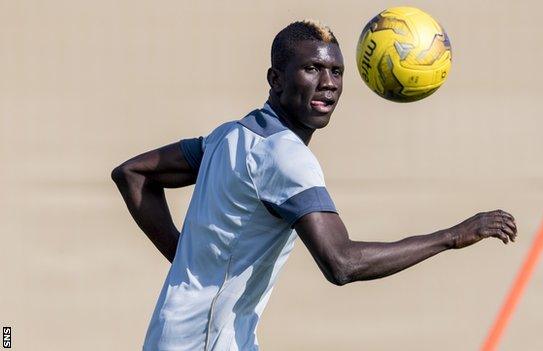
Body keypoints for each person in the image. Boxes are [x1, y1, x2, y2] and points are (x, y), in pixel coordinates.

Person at [112, 20, 518, 351]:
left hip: (191, 337)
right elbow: (342, 263)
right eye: (312, 69)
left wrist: (188, 260)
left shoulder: (228, 136)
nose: (329, 82)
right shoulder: (285, 157)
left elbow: (133, 173)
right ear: (276, 78)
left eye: (336, 71)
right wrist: (454, 235)